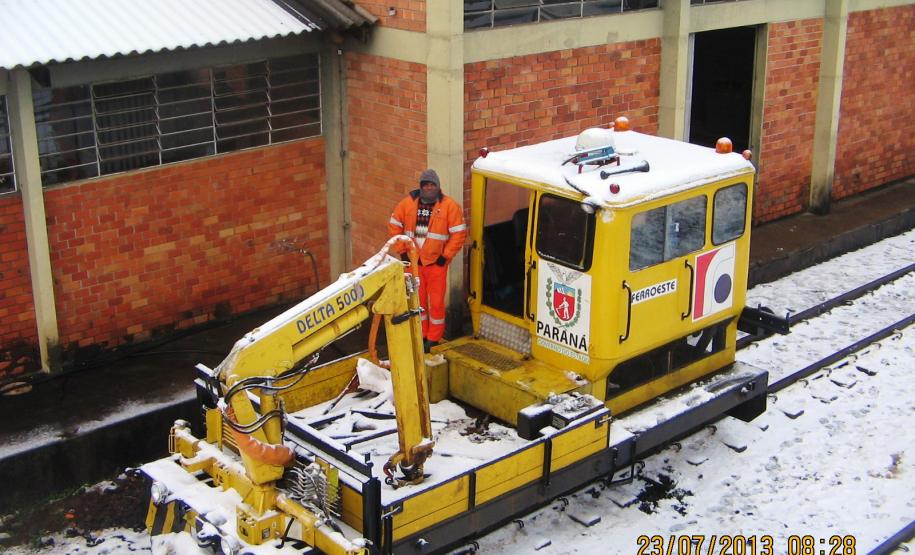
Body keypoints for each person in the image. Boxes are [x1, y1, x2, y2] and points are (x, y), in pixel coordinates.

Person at [388, 169, 467, 351]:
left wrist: (445, 256)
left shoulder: (450, 206)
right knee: (418, 302)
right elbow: (394, 226)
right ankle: (421, 333)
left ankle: (433, 337)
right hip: (414, 264)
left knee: (437, 303)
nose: (429, 188)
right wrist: (403, 252)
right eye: (426, 185)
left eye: (432, 185)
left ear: (438, 187)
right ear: (421, 186)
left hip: (436, 264)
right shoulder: (407, 204)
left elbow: (459, 234)